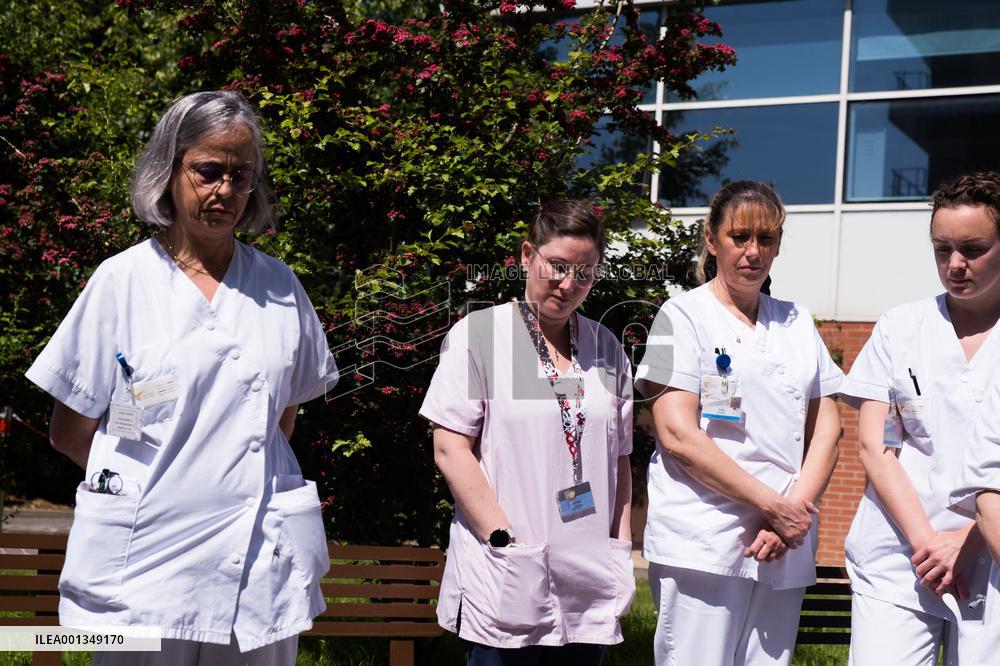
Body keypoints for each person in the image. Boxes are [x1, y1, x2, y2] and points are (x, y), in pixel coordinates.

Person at [25, 91, 338, 665]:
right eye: (208, 171)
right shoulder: (121, 282)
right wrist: (143, 487)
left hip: (256, 560)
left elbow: (278, 419)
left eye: (241, 175)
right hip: (144, 565)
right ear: (169, 171)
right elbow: (71, 431)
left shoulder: (280, 287)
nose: (225, 190)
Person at [635, 180, 843, 666]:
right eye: (739, 237)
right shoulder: (678, 316)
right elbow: (678, 436)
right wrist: (774, 505)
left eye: (766, 239)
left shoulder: (797, 320)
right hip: (704, 534)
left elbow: (828, 429)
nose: (753, 251)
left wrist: (794, 513)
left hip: (784, 537)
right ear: (712, 240)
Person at [420, 200, 635, 665]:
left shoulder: (607, 348)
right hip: (506, 572)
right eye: (557, 266)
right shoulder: (480, 335)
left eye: (585, 272)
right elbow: (450, 447)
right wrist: (502, 540)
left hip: (587, 580)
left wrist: (621, 545)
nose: (568, 283)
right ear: (526, 255)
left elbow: (619, 458)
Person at [840, 172, 1000, 665]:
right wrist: (929, 544)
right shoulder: (901, 329)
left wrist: (968, 543)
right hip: (900, 555)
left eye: (973, 249)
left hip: (990, 554)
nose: (955, 265)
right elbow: (876, 448)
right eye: (941, 249)